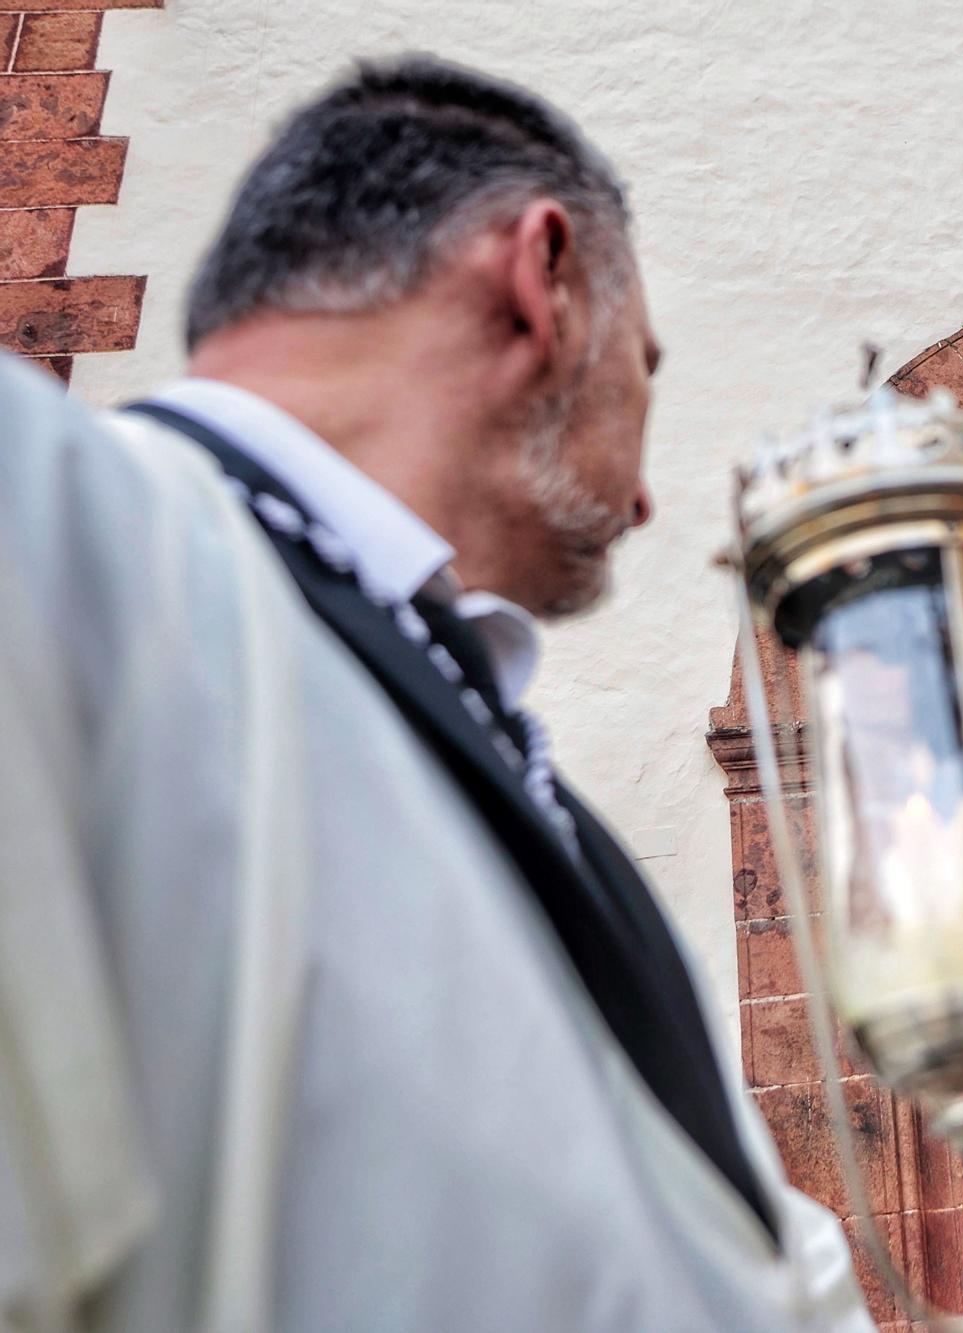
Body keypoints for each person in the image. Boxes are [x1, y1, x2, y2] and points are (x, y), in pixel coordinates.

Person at [0, 56, 869, 1331]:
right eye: (646, 366)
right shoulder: (54, 518)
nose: (641, 501)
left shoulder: (497, 764)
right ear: (542, 286)